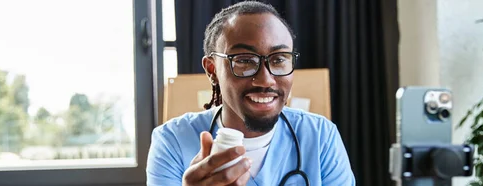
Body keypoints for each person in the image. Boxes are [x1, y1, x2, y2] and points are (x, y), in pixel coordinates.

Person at [146, 1, 355, 185]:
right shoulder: (172, 142)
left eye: (279, 59)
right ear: (212, 70)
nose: (265, 80)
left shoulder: (320, 137)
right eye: (244, 60)